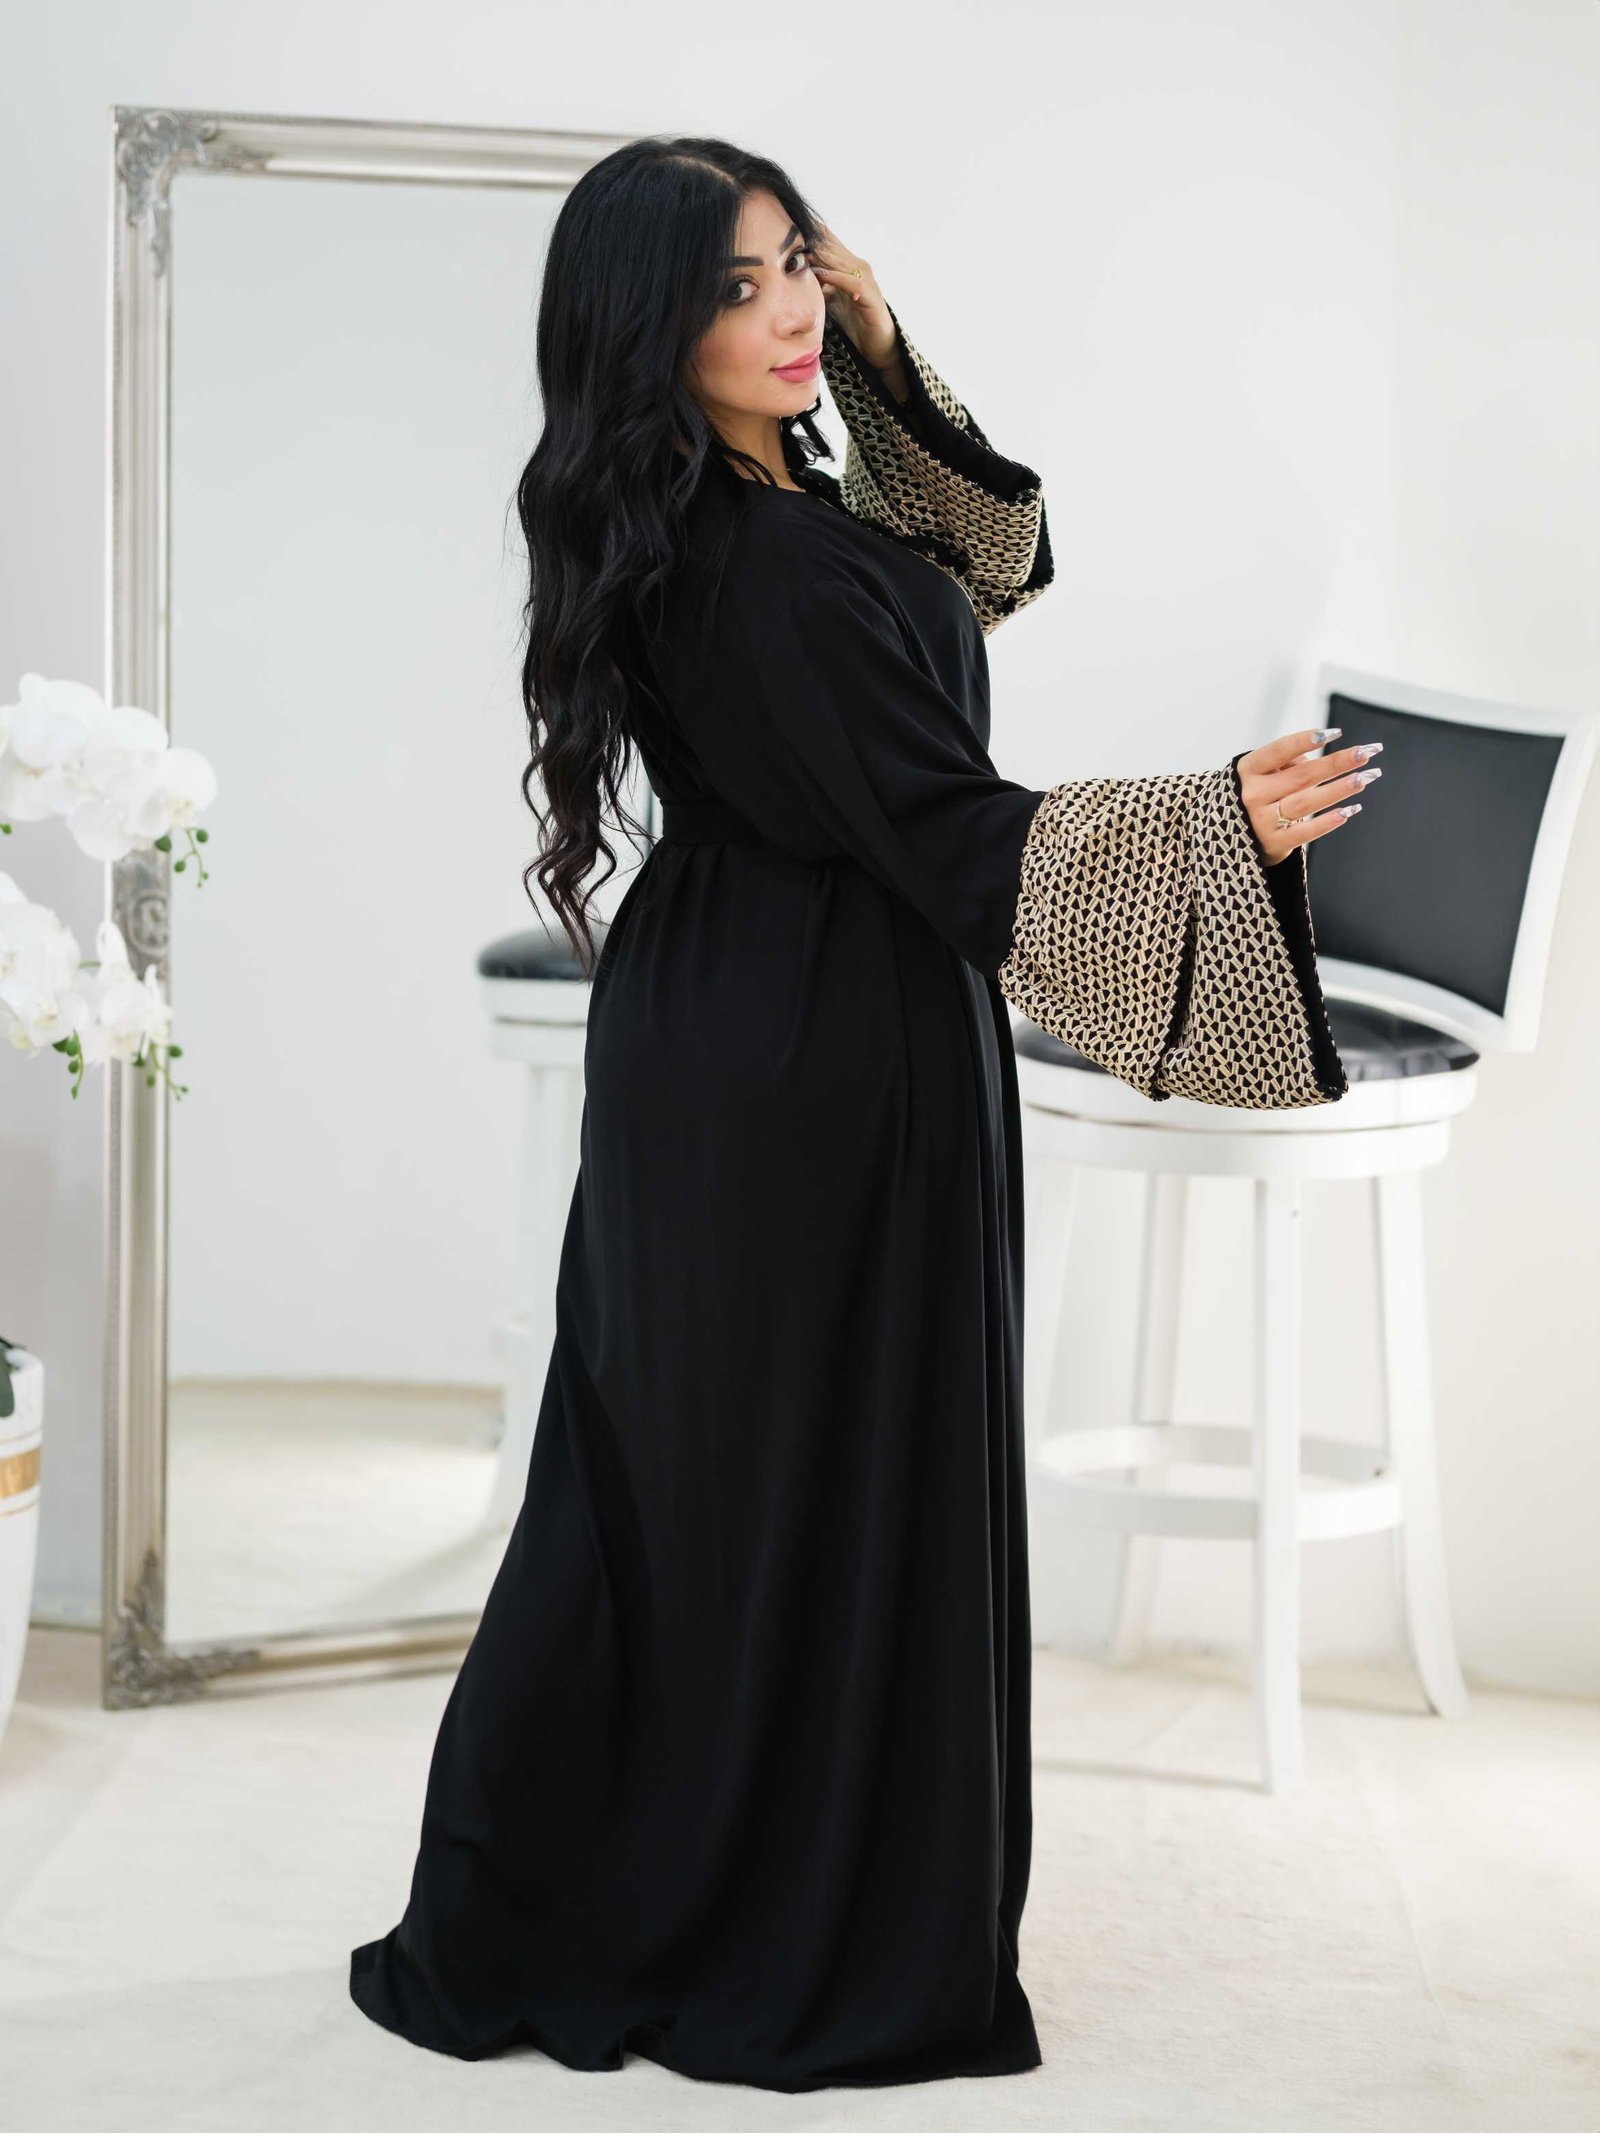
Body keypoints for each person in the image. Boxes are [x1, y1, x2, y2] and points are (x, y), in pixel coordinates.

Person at [348, 134, 1370, 2094]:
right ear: (649, 329)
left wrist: (884, 351)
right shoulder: (771, 571)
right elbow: (951, 832)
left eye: (794, 263)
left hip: (738, 1016)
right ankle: (785, 1918)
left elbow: (989, 564)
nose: (786, 310)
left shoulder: (720, 514)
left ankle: (670, 1877)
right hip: (815, 1051)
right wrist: (1207, 827)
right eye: (732, 288)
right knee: (802, 1482)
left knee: (704, 1479)